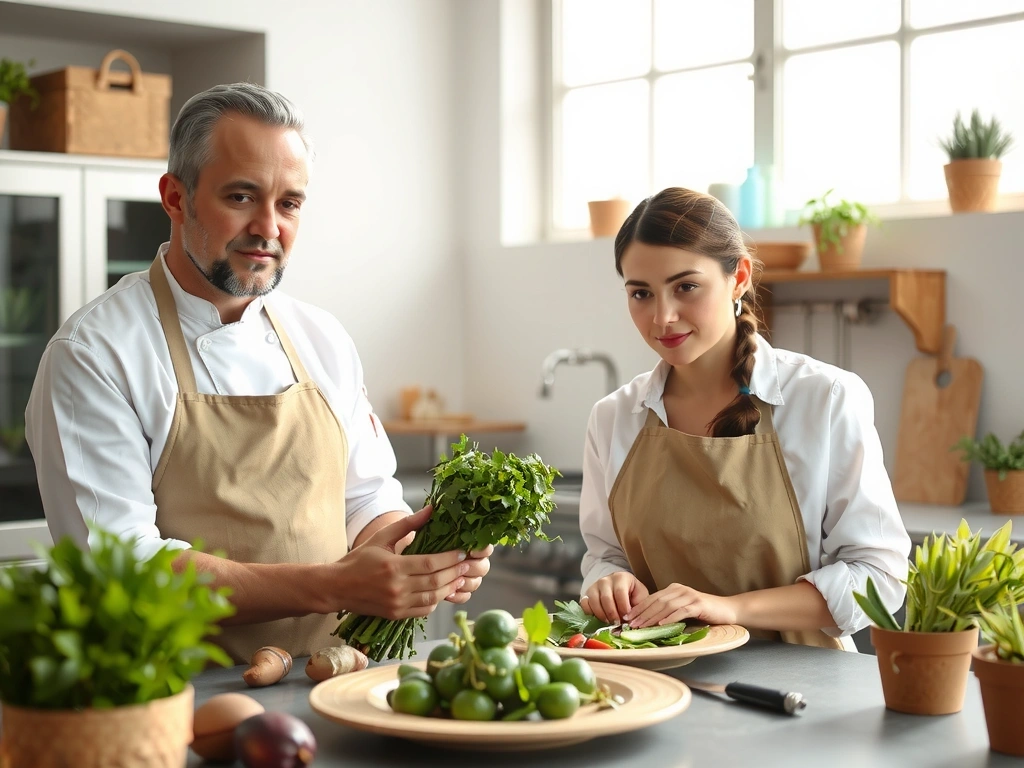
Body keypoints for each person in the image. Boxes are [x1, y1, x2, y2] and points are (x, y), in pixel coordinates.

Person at [25, 83, 491, 663]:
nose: (268, 227)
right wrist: (335, 584)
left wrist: (416, 557)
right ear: (175, 197)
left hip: (334, 680)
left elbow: (366, 500)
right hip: (173, 699)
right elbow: (127, 569)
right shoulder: (95, 354)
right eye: (241, 197)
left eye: (289, 203)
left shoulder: (323, 338)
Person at [577, 187, 911, 650]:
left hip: (800, 691)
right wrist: (608, 581)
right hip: (657, 684)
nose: (662, 317)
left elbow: (879, 578)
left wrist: (729, 608)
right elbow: (606, 555)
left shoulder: (826, 398)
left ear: (739, 279)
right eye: (641, 293)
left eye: (686, 287)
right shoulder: (614, 417)